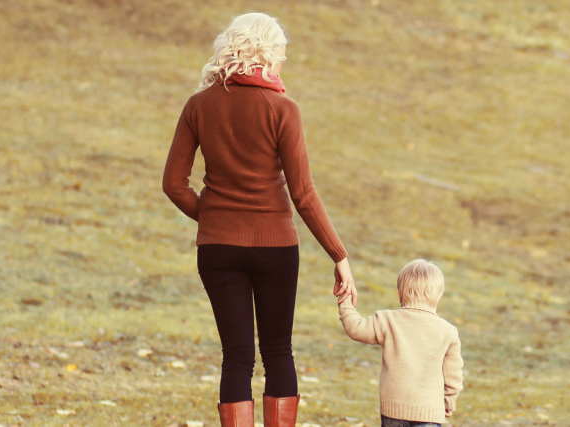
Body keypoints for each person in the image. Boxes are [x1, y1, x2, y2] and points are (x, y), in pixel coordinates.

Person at [162, 12, 357, 427]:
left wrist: (214, 219)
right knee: (277, 351)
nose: (283, 63)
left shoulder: (198, 105)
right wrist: (338, 255)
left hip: (217, 249)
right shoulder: (283, 109)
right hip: (275, 248)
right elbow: (303, 194)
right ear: (266, 53)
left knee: (236, 357)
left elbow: (174, 184)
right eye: (281, 54)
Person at [338, 260, 463, 427]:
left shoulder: (388, 320)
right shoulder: (448, 331)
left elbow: (356, 328)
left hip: (393, 410)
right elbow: (452, 373)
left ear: (399, 294)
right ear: (439, 296)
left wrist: (345, 302)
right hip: (430, 412)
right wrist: (449, 400)